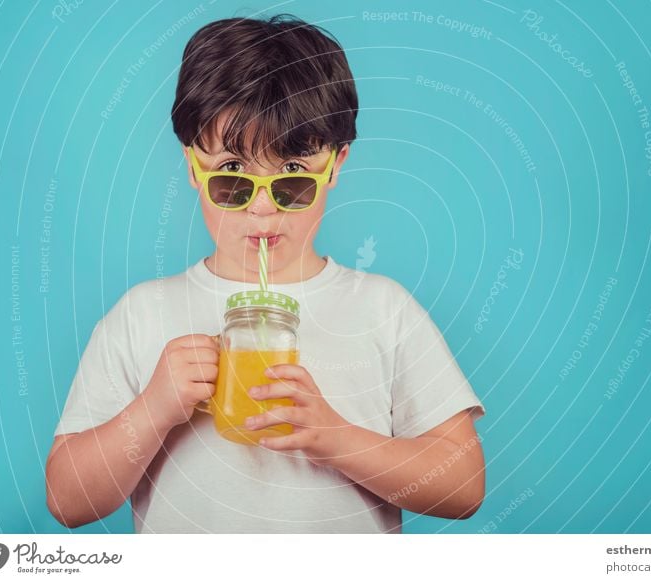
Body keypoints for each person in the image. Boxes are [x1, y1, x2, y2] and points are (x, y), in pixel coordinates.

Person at [45, 14, 485, 533]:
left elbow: (463, 485)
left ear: (337, 165)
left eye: (292, 179)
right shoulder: (142, 316)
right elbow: (68, 501)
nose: (261, 210)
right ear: (192, 167)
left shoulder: (383, 310)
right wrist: (155, 408)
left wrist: (333, 436)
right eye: (231, 177)